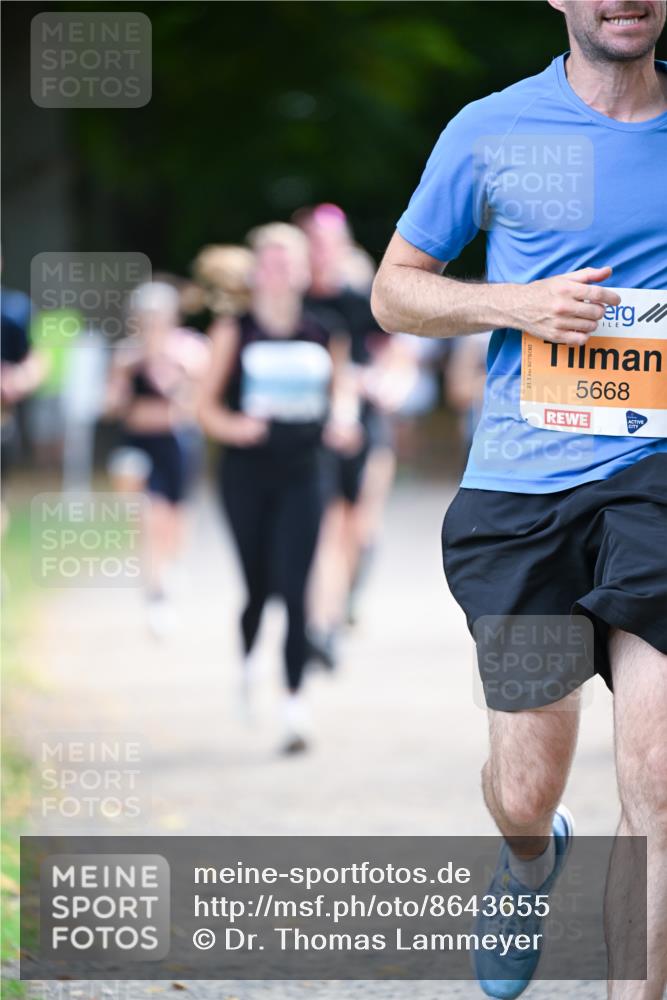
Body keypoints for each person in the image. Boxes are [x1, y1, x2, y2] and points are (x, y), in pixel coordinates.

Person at [371, 2, 667, 997]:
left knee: (658, 781)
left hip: (655, 482)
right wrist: (516, 303)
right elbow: (395, 291)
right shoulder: (492, 129)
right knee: (525, 785)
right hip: (522, 492)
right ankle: (530, 858)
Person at [198, 223, 356, 754]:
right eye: (267, 261)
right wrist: (234, 427)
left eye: (287, 260)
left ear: (303, 269)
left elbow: (343, 393)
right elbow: (205, 408)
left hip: (305, 469)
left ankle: (294, 707)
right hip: (246, 473)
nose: (278, 270)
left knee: (295, 589)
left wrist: (343, 419)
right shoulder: (232, 329)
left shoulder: (324, 328)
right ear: (255, 270)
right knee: (258, 588)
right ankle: (245, 667)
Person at [295, 204, 398, 656]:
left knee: (359, 527)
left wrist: (380, 381)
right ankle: (325, 623)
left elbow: (397, 354)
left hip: (367, 426)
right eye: (314, 241)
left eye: (329, 242)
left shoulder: (362, 301)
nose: (322, 251)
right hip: (315, 429)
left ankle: (351, 594)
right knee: (328, 525)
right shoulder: (292, 303)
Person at [106, 281, 209, 637]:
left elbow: (195, 398)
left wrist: (166, 365)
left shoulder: (190, 349)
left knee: (177, 522)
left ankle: (172, 565)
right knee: (150, 517)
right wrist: (125, 376)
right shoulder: (125, 356)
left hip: (177, 445)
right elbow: (113, 406)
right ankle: (156, 596)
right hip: (139, 445)